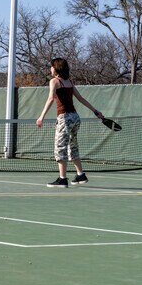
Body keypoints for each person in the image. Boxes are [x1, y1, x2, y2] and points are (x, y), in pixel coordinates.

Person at [36, 58, 104, 188]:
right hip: (75, 117)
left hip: (65, 118)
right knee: (72, 146)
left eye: (51, 67)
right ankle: (80, 175)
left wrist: (41, 117)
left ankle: (62, 179)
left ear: (56, 68)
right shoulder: (69, 82)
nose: (50, 69)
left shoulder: (54, 81)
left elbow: (50, 98)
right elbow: (80, 98)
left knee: (60, 147)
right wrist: (96, 111)